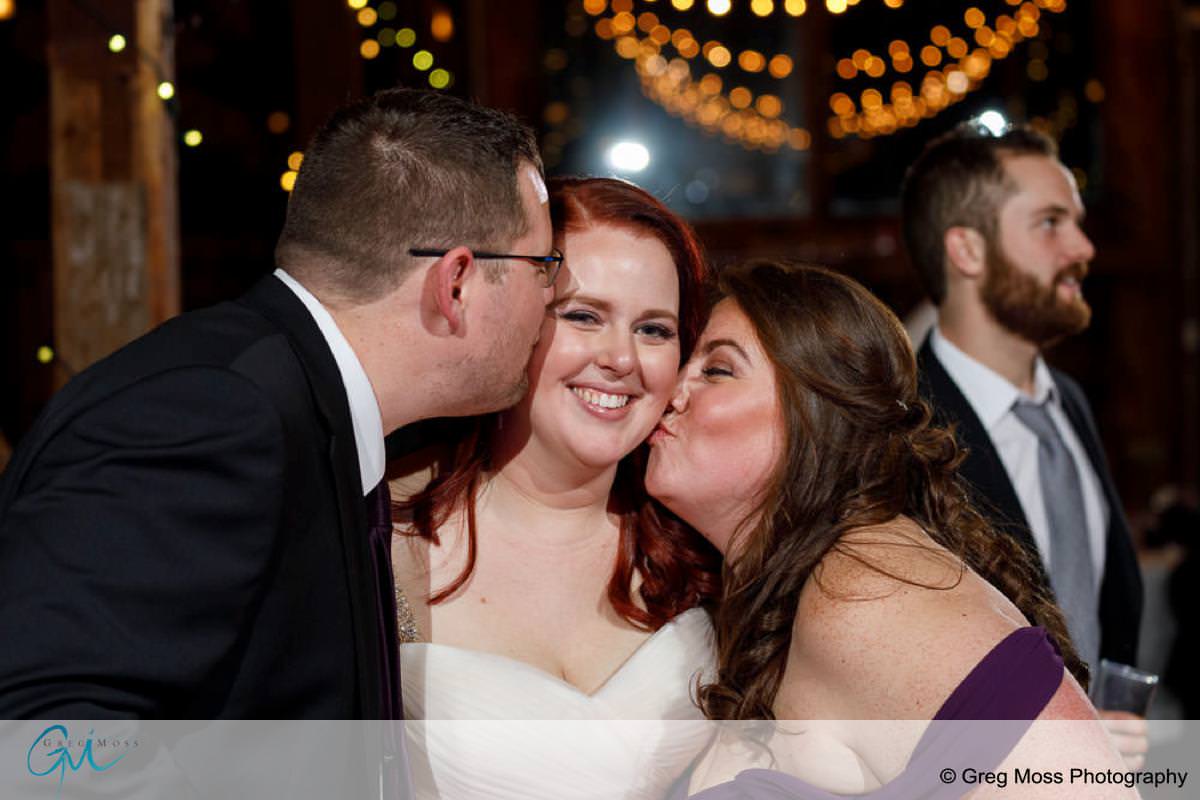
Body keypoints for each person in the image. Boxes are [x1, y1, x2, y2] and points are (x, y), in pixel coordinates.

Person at [0, 87, 554, 719]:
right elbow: (39, 730)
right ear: (454, 283)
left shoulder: (308, 404)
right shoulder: (215, 415)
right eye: (543, 264)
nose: (550, 297)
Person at [647, 261, 1135, 798]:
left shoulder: (865, 592)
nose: (671, 389)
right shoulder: (789, 588)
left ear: (818, 414)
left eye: (717, 370)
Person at [390, 176, 720, 799]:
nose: (621, 358)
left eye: (653, 330)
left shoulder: (709, 546)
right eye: (583, 316)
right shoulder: (383, 539)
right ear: (514, 324)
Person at [900, 123, 1142, 679]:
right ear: (967, 250)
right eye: (1050, 224)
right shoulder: (902, 430)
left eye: (1076, 223)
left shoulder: (1070, 405)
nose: (1084, 248)